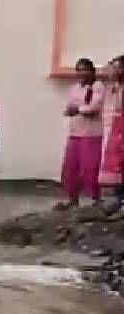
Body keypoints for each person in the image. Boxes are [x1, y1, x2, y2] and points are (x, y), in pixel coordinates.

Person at [59, 57, 106, 208]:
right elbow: (69, 107)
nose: (82, 73)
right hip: (75, 133)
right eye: (79, 70)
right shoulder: (74, 88)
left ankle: (95, 199)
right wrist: (77, 109)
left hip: (91, 134)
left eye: (85, 70)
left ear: (92, 71)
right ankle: (72, 199)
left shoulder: (99, 87)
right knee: (70, 168)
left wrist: (78, 109)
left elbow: (93, 108)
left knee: (90, 168)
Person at [98, 55, 124, 211]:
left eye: (116, 68)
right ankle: (119, 198)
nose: (112, 71)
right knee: (117, 164)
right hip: (117, 129)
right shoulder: (115, 88)